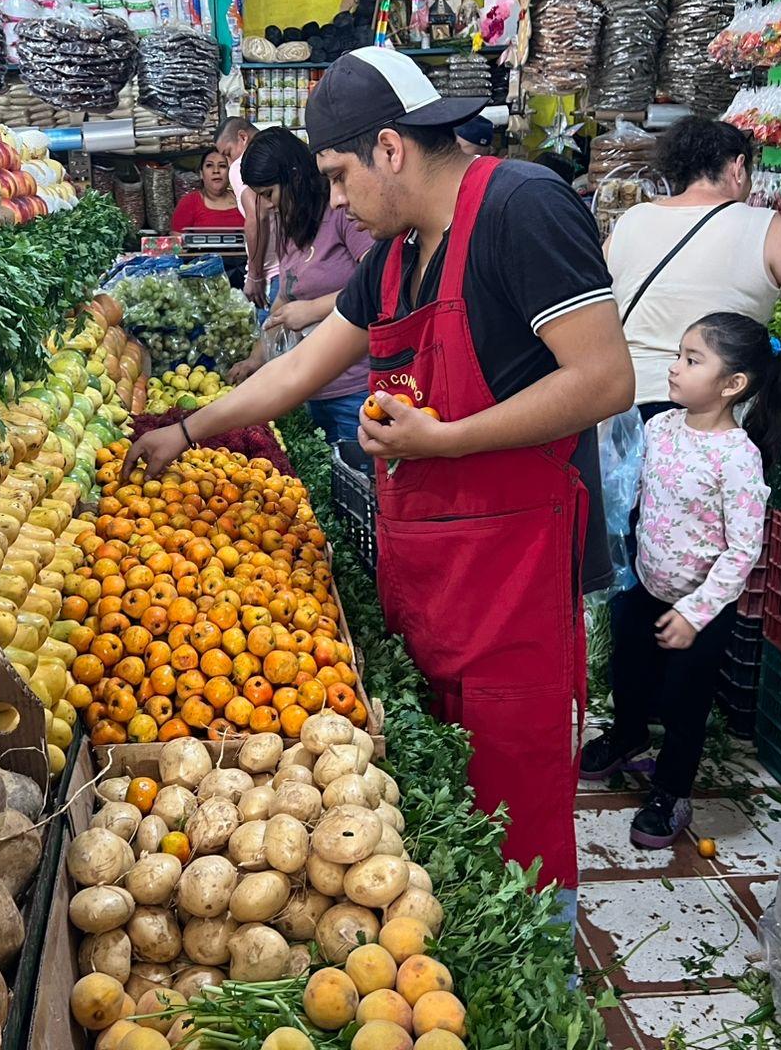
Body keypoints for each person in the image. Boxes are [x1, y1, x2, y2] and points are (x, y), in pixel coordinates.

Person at [126, 47, 635, 896]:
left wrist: (445, 440)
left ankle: (547, 970)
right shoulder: (396, 257)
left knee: (517, 805)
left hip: (515, 576)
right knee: (442, 807)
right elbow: (299, 370)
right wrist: (188, 428)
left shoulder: (522, 206)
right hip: (431, 574)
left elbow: (603, 379)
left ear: (390, 150)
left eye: (337, 175)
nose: (335, 201)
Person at [582, 313, 781, 847]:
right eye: (678, 355)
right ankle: (627, 735)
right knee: (628, 673)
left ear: (732, 385)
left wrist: (695, 614)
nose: (674, 369)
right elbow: (630, 494)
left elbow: (744, 551)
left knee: (684, 703)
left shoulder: (738, 459)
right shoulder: (659, 428)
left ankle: (673, 791)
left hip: (702, 610)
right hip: (644, 588)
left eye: (691, 360)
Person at [607, 116, 781, 421]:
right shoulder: (763, 227)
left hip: (622, 402)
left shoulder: (631, 220)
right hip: (701, 413)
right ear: (738, 167)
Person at [227, 127, 376, 443]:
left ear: (294, 177)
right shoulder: (293, 222)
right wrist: (257, 357)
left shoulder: (341, 213)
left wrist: (312, 310)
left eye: (268, 194)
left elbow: (378, 282)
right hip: (312, 387)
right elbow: (285, 294)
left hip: (356, 389)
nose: (266, 206)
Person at [214, 117, 279, 310]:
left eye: (228, 153)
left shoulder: (242, 165)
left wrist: (255, 275)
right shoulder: (280, 153)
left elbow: (258, 215)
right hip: (298, 268)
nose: (228, 163)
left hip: (271, 278)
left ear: (243, 137)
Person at [171, 150, 247, 231]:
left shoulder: (242, 199)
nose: (216, 171)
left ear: (230, 172)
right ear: (201, 174)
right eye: (209, 165)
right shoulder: (189, 202)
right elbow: (177, 239)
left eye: (222, 166)